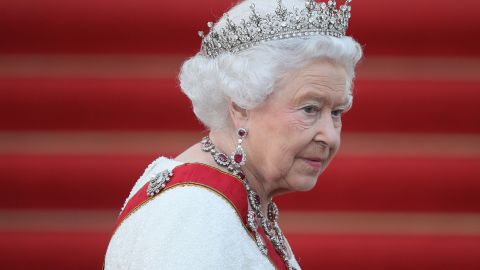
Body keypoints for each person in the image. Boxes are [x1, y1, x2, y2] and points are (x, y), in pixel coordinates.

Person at [104, 0, 362, 269]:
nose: (330, 137)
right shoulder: (194, 212)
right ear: (241, 105)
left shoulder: (232, 199)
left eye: (337, 112)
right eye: (310, 109)